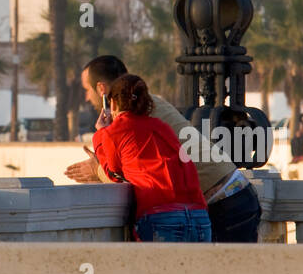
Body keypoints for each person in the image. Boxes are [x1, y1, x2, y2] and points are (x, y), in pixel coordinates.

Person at [65, 54, 262, 243]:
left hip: (222, 205)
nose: (86, 97)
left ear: (101, 89)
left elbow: (130, 177)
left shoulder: (130, 118)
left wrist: (97, 168)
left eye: (87, 90)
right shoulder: (149, 102)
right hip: (236, 195)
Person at [79, 72, 211, 241]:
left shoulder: (113, 132)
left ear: (112, 103)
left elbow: (113, 173)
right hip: (198, 215)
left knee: (156, 268)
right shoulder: (162, 126)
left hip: (161, 216)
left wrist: (101, 133)